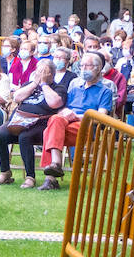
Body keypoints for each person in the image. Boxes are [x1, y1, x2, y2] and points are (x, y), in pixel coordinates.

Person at [38, 51, 115, 190]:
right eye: (82, 65)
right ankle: (54, 166)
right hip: (66, 125)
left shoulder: (105, 91)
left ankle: (51, 177)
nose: (83, 68)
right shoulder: (75, 89)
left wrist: (78, 116)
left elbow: (101, 116)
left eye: (88, 66)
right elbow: (63, 109)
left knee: (48, 131)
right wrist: (65, 112)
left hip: (87, 126)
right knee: (55, 119)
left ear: (98, 68)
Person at [0, 54, 71, 188]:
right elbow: (17, 97)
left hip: (40, 124)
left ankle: (30, 177)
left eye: (43, 71)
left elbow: (54, 103)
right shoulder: (29, 84)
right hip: (19, 121)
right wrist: (35, 83)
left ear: (51, 73)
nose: (39, 74)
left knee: (25, 137)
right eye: (38, 71)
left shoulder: (59, 88)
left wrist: (45, 84)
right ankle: (5, 172)